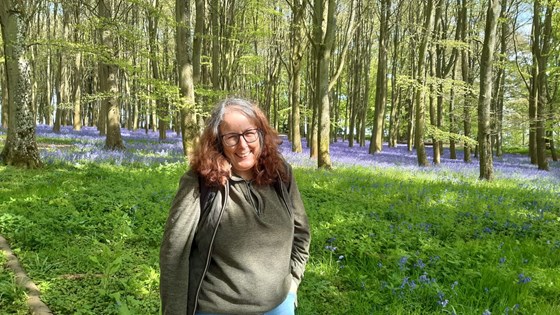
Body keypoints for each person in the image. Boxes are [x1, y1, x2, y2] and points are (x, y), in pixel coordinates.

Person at [160, 97, 311, 315]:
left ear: (260, 133)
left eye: (249, 133)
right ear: (218, 141)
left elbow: (301, 231)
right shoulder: (201, 182)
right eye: (231, 137)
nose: (242, 145)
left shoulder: (280, 173)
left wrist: (293, 284)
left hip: (279, 306)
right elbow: (174, 252)